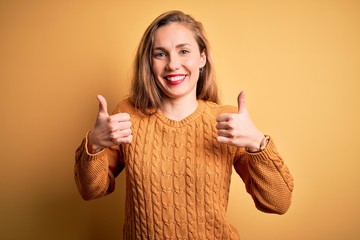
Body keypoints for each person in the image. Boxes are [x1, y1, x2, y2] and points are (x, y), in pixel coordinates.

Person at [74, 10, 294, 240]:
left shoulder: (227, 120)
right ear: (149, 62)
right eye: (160, 54)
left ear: (202, 57)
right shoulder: (128, 115)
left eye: (184, 51)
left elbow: (278, 203)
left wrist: (257, 142)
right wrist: (95, 143)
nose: (172, 64)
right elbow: (91, 191)